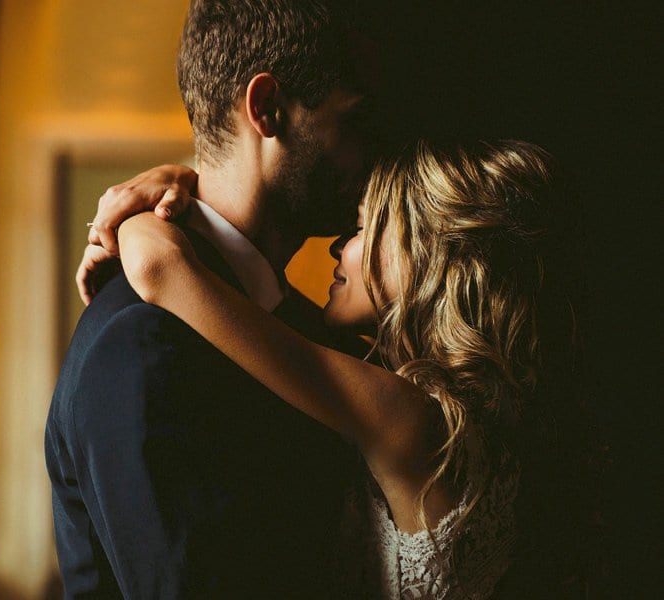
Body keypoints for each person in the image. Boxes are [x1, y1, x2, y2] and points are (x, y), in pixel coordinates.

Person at [79, 139, 603, 598]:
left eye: (361, 227)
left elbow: (160, 269)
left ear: (426, 257)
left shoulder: (407, 417)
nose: (338, 243)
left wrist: (128, 215)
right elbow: (275, 312)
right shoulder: (470, 408)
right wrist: (179, 180)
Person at [45, 1, 384, 597]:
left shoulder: (291, 319)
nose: (373, 156)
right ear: (267, 108)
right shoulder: (143, 343)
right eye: (354, 121)